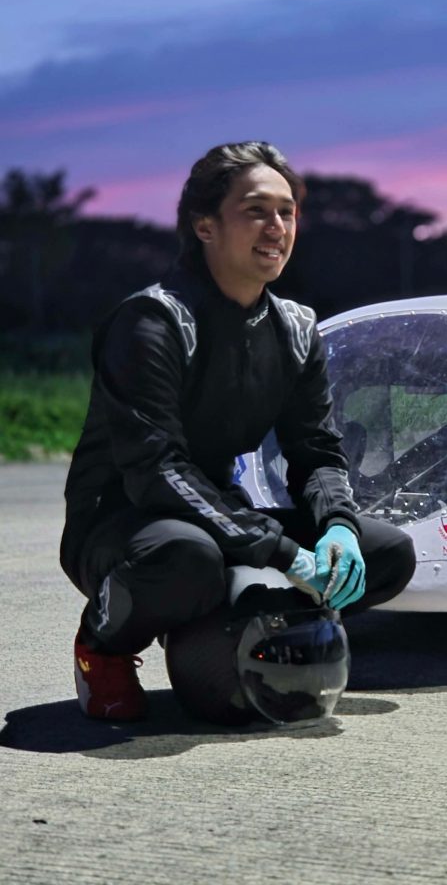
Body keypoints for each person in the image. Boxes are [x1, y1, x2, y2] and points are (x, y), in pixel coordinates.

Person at [60, 141, 416, 720]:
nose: (276, 226)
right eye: (256, 210)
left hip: (217, 518)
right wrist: (282, 554)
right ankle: (104, 645)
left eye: (287, 211)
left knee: (387, 554)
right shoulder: (151, 322)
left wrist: (338, 528)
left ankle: (226, 624)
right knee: (186, 558)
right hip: (126, 526)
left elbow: (315, 450)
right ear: (205, 225)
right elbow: (157, 470)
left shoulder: (297, 327)